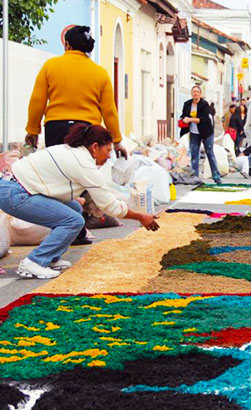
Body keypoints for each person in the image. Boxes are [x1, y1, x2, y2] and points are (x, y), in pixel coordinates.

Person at [0, 124, 159, 279]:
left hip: (16, 187)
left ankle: (51, 258)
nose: (109, 156)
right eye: (108, 150)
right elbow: (110, 206)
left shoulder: (74, 152)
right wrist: (140, 216)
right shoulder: (84, 164)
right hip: (15, 193)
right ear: (95, 147)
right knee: (73, 220)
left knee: (75, 208)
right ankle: (34, 262)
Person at [25, 25, 127, 159]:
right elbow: (109, 110)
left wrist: (33, 131)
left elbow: (38, 101)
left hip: (56, 128)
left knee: (58, 169)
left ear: (67, 44)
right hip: (87, 131)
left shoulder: (50, 66)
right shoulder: (100, 73)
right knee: (83, 170)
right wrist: (117, 140)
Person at [180, 85, 221, 184]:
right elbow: (183, 115)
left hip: (206, 132)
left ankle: (216, 176)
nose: (195, 93)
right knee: (194, 154)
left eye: (197, 91)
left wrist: (190, 119)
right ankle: (195, 177)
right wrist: (183, 120)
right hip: (194, 132)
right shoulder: (187, 104)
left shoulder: (204, 104)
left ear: (200, 94)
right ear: (191, 93)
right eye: (194, 91)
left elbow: (203, 119)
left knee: (209, 153)